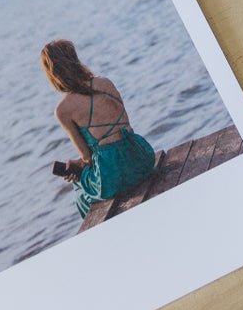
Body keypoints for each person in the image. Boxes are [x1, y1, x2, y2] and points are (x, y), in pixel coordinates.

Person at [40, 39, 156, 219]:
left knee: (80, 190)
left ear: (53, 74)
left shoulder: (63, 109)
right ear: (75, 60)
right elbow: (123, 127)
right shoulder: (106, 83)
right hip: (142, 156)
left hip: (113, 176)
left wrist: (77, 167)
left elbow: (87, 157)